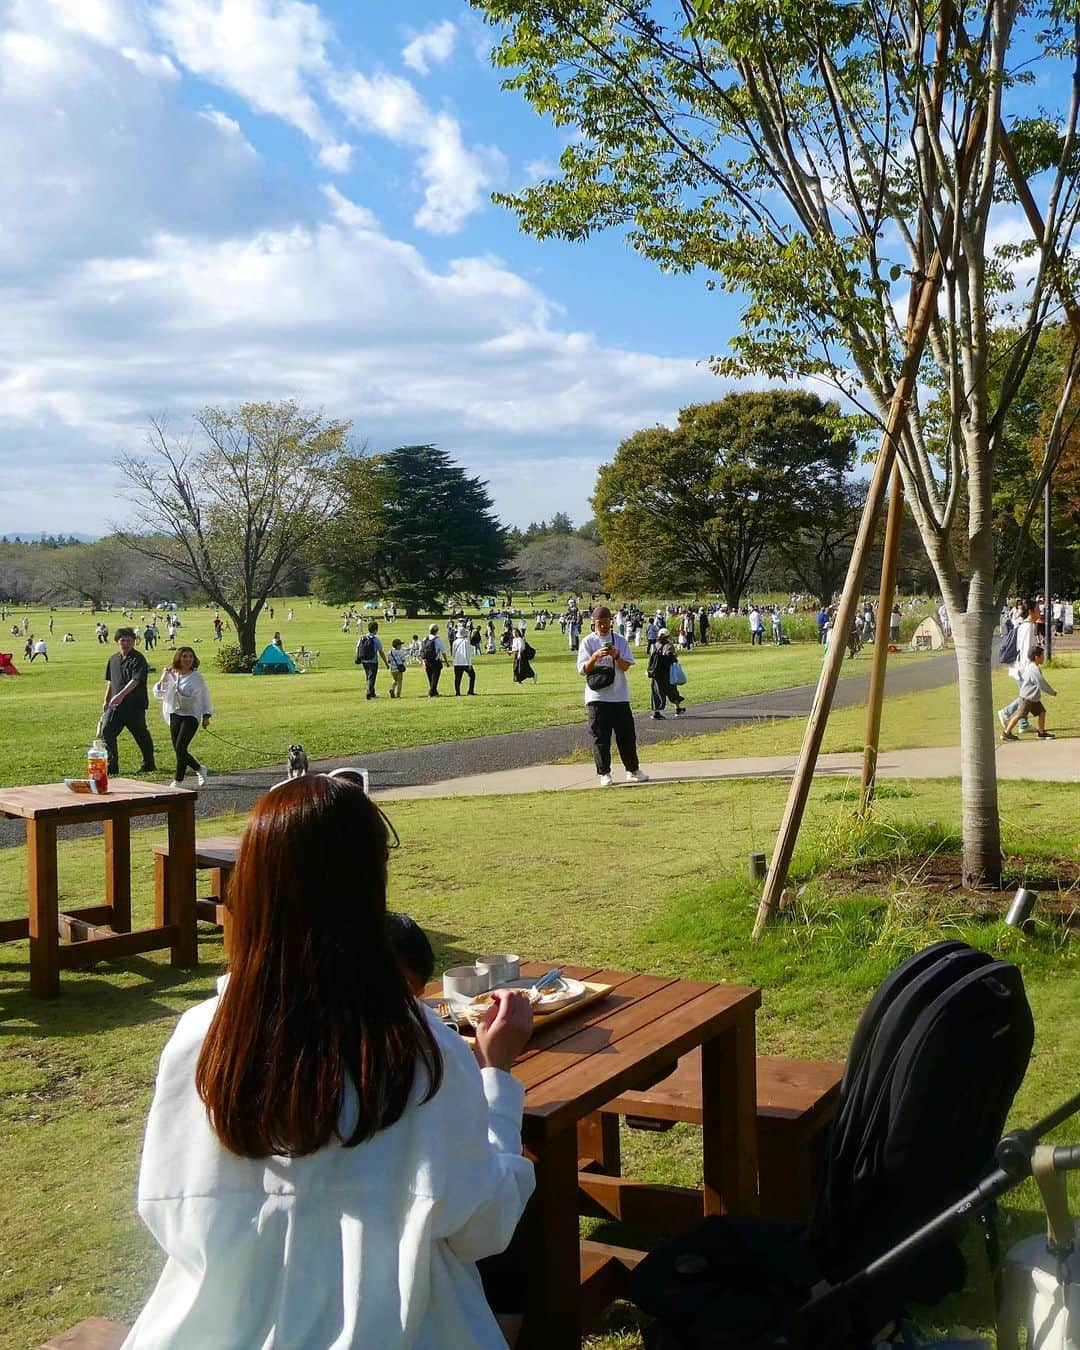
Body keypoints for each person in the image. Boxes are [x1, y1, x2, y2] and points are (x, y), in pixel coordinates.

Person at [121, 775, 535, 1349]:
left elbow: (167, 1213)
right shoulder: (419, 1048)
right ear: (369, 890)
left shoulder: (201, 1038)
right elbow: (484, 1225)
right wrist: (496, 1079)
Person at [577, 605, 649, 787]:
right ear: (593, 623)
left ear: (611, 622)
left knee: (627, 735)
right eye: (599, 623)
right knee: (600, 737)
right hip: (597, 697)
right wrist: (594, 657)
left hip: (619, 696)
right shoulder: (587, 642)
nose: (603, 626)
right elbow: (583, 670)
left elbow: (625, 667)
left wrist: (616, 655)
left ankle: (632, 770)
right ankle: (604, 773)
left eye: (606, 622)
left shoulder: (620, 640)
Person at [153, 647, 213, 788]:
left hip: (191, 715)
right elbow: (159, 694)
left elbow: (205, 696)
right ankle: (199, 768)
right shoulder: (171, 674)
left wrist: (206, 715)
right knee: (179, 750)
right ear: (178, 658)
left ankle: (178, 780)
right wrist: (163, 677)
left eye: (190, 657)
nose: (187, 660)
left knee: (180, 748)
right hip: (174, 714)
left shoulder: (196, 677)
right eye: (184, 656)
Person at [102, 627, 156, 775]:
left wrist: (121, 695)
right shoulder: (113, 659)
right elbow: (110, 681)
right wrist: (106, 699)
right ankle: (112, 766)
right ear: (117, 642)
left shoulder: (138, 659)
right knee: (106, 731)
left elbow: (136, 680)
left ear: (134, 642)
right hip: (115, 707)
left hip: (134, 706)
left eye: (129, 641)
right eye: (123, 640)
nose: (126, 643)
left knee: (140, 734)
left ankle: (149, 763)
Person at [998, 601, 1039, 734]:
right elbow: (1027, 650)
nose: (1040, 612)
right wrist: (1030, 671)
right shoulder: (1028, 627)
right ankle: (1006, 712)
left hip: (1019, 667)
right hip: (1023, 669)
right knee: (1027, 697)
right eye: (1038, 609)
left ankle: (1023, 723)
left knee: (1026, 695)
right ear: (1031, 611)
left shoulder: (1025, 626)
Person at [1001, 645, 1056, 741]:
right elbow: (1041, 683)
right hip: (1027, 698)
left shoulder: (1033, 667)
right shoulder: (1034, 669)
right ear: (1036, 657)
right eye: (1042, 655)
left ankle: (1041, 733)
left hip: (1033, 698)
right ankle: (1006, 733)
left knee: (1042, 712)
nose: (1044, 657)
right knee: (1019, 715)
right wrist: (1051, 692)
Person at [647, 627, 685, 720]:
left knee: (657, 692)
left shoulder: (654, 645)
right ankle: (677, 708)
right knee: (672, 690)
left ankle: (657, 712)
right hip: (666, 673)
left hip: (656, 673)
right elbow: (670, 656)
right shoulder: (668, 645)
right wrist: (675, 656)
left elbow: (652, 659)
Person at [356, 620, 389, 700]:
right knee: (372, 678)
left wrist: (358, 658)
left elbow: (357, 648)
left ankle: (372, 692)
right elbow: (381, 652)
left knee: (368, 677)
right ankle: (369, 693)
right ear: (375, 630)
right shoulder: (375, 639)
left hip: (364, 660)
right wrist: (386, 663)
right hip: (373, 661)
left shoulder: (362, 638)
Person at [421, 623, 449, 696]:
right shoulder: (437, 640)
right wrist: (446, 662)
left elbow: (422, 650)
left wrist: (423, 661)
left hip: (426, 661)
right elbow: (443, 651)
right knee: (435, 678)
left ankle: (435, 693)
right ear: (437, 630)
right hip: (435, 661)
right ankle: (430, 693)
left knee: (430, 678)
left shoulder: (425, 639)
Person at [452, 625, 477, 695]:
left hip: (457, 662)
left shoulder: (455, 642)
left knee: (457, 678)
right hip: (465, 662)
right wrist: (469, 664)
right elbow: (468, 654)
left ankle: (457, 692)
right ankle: (470, 691)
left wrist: (454, 661)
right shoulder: (466, 642)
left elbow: (453, 653)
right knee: (472, 676)